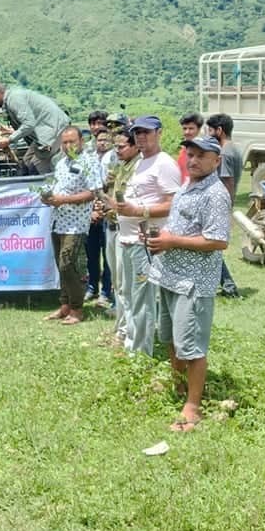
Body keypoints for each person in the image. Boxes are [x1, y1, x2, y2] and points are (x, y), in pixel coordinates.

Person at [147, 135, 231, 431]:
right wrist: (163, 237)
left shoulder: (216, 194)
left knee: (192, 347)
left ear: (216, 161)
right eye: (190, 155)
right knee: (171, 339)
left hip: (193, 283)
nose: (193, 161)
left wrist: (173, 240)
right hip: (170, 278)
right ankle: (179, 387)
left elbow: (218, 240)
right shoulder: (188, 185)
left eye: (200, 156)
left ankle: (193, 408)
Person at [113, 115, 182, 357]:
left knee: (142, 301)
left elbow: (173, 204)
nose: (141, 136)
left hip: (145, 243)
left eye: (146, 132)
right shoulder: (142, 161)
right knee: (131, 297)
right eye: (137, 133)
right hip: (128, 239)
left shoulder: (164, 164)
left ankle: (140, 355)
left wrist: (139, 211)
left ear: (159, 133)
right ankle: (132, 344)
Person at [42, 126, 103, 325]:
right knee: (61, 267)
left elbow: (92, 193)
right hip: (57, 221)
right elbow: (55, 186)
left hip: (75, 224)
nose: (68, 146)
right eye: (65, 142)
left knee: (68, 265)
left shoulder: (88, 162)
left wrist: (64, 199)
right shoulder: (61, 163)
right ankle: (65, 306)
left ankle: (77, 309)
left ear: (81, 142)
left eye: (72, 142)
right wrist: (48, 196)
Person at [104, 129, 140, 344]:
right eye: (115, 146)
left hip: (125, 230)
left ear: (135, 146)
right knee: (117, 283)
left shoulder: (138, 167)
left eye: (121, 146)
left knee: (126, 284)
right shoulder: (119, 167)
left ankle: (126, 332)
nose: (117, 150)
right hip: (111, 226)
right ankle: (119, 326)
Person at [0, 82, 70, 175]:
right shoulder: (12, 98)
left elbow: (29, 124)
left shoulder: (14, 99)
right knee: (24, 166)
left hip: (54, 130)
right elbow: (30, 122)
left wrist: (9, 140)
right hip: (42, 133)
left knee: (35, 169)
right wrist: (12, 132)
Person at [207, 112, 243, 298]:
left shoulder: (225, 152)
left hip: (220, 206)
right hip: (223, 205)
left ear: (219, 130)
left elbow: (227, 181)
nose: (208, 134)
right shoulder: (234, 149)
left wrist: (224, 209)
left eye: (210, 130)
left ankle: (229, 286)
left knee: (211, 246)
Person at [85, 128, 115, 307]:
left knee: (108, 255)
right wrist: (92, 210)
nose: (102, 142)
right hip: (90, 213)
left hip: (107, 212)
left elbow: (107, 187)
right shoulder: (89, 159)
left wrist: (101, 207)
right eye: (99, 139)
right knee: (91, 254)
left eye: (106, 139)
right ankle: (92, 287)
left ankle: (106, 291)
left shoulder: (112, 159)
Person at [177, 112, 204, 182]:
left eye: (191, 128)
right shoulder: (183, 148)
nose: (187, 132)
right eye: (184, 128)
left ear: (199, 129)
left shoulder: (204, 151)